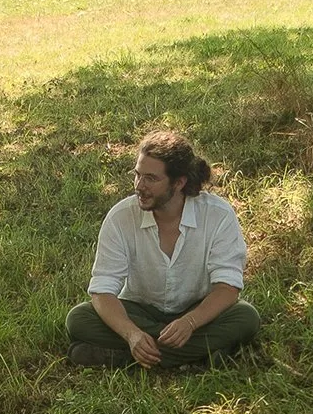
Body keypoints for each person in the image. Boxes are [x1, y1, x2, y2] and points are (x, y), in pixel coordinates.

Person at [65, 130, 260, 369]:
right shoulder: (121, 217)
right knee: (78, 319)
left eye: (151, 178)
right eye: (137, 175)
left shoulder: (217, 215)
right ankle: (198, 356)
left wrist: (189, 323)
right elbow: (102, 291)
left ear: (179, 182)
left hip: (197, 310)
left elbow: (228, 288)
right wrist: (132, 335)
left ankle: (125, 358)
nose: (140, 186)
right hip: (140, 312)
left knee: (245, 317)